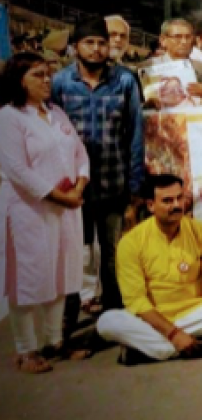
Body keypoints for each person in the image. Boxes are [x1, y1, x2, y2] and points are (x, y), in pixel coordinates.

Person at [51, 18, 145, 328]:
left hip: (113, 182)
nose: (96, 48)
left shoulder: (126, 81)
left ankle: (113, 315)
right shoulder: (61, 83)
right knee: (73, 253)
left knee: (112, 253)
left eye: (101, 42)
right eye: (89, 42)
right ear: (76, 46)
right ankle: (68, 317)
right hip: (72, 188)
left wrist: (134, 184)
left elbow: (135, 134)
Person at [0, 53, 91, 373]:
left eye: (48, 74)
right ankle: (26, 349)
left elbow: (80, 153)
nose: (46, 80)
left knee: (61, 273)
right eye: (37, 75)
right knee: (27, 277)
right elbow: (15, 169)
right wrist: (57, 196)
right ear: (19, 80)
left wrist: (78, 187)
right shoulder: (10, 117)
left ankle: (55, 340)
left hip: (66, 207)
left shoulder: (56, 114)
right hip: (29, 209)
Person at [96, 175, 202, 364]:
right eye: (167, 201)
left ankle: (144, 351)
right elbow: (135, 300)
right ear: (151, 205)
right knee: (107, 322)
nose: (176, 205)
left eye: (179, 198)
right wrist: (174, 334)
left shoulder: (200, 232)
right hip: (151, 318)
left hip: (193, 312)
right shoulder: (130, 242)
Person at [141, 18, 202, 95]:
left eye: (188, 37)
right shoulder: (148, 67)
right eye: (177, 37)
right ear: (163, 40)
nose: (184, 42)